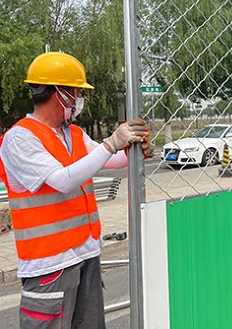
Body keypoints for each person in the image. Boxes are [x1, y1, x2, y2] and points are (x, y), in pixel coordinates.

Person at [0, 51, 154, 328]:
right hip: (49, 264)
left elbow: (109, 160)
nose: (79, 98)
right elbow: (62, 180)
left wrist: (132, 152)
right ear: (61, 93)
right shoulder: (20, 138)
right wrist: (112, 143)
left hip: (85, 253)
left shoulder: (73, 134)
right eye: (77, 92)